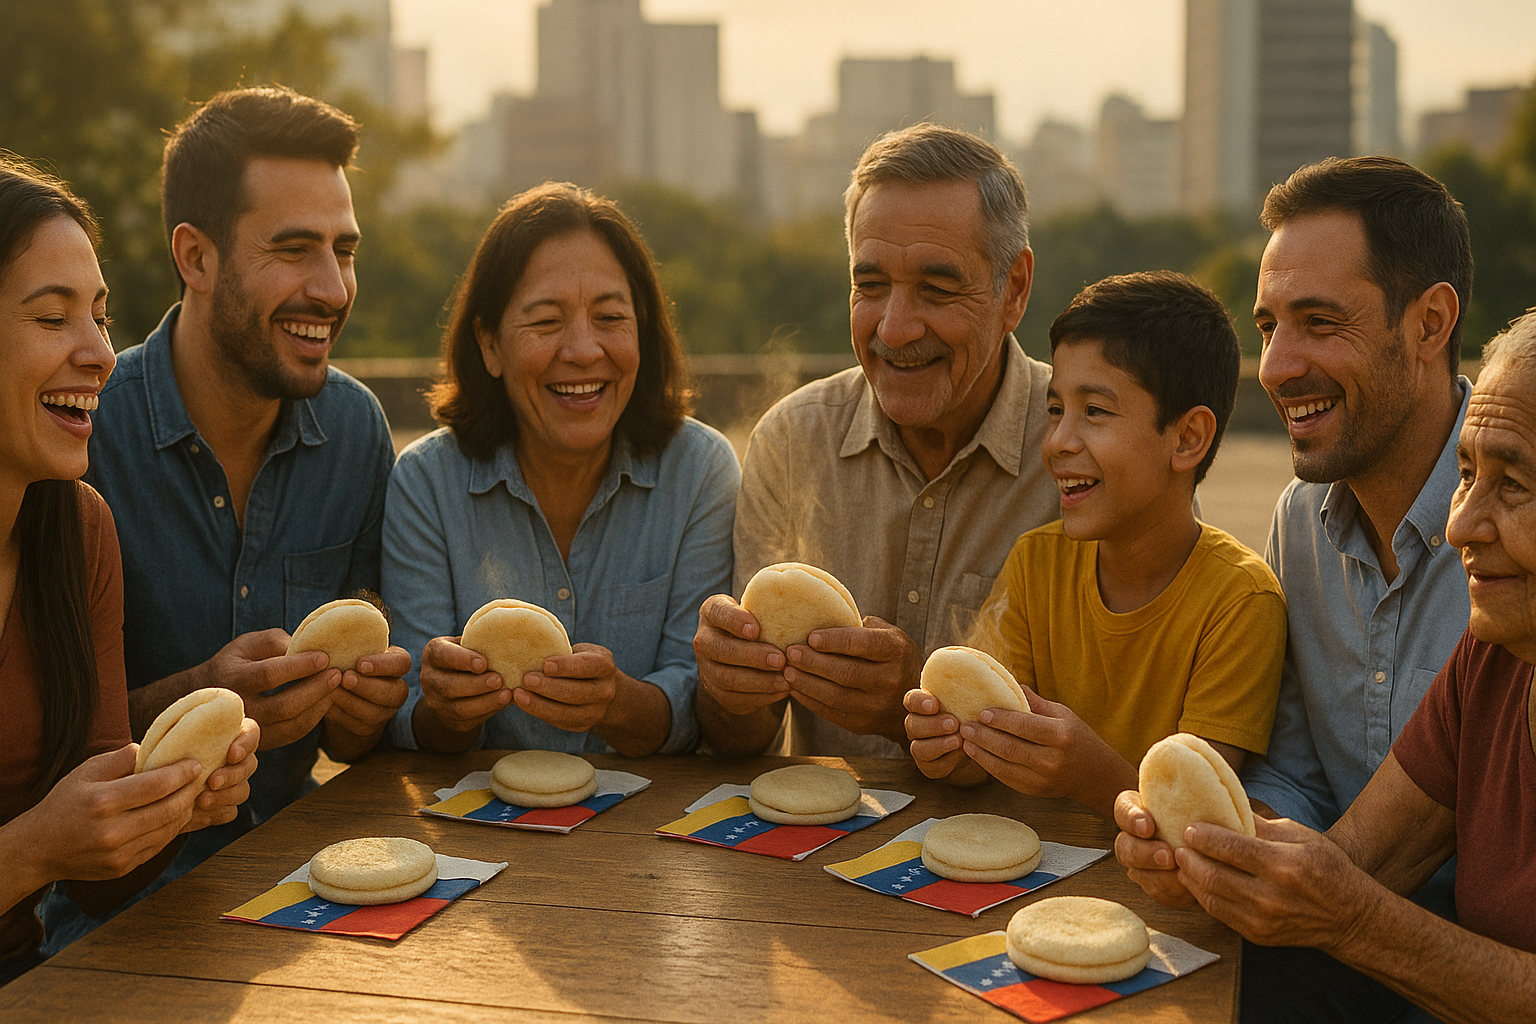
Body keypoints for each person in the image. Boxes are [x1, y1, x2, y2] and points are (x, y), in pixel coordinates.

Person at [40, 86, 408, 947]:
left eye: (344, 251)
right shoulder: (77, 432)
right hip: (108, 920)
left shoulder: (356, 432)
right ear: (195, 257)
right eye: (294, 249)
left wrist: (365, 711)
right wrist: (197, 698)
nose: (331, 289)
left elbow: (356, 744)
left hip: (303, 888)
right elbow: (41, 756)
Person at [1114, 156, 1474, 1023]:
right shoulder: (1300, 518)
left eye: (1319, 322)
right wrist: (1228, 843)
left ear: (1429, 324)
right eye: (1269, 326)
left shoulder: (1510, 533)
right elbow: (1298, 771)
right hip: (1336, 958)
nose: (1276, 366)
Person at [694, 123, 1058, 759]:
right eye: (871, 286)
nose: (894, 328)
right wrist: (729, 689)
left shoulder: (1083, 455)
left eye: (937, 289)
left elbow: (1120, 736)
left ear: (1015, 290)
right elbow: (743, 741)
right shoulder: (792, 441)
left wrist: (911, 704)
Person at [0, 159, 257, 983]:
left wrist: (168, 804)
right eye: (53, 318)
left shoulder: (78, 531)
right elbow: (48, 857)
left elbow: (97, 885)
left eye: (101, 318)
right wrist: (30, 851)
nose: (101, 354)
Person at [903, 272, 1286, 819]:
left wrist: (1091, 776)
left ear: (1187, 438)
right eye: (1056, 409)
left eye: (1095, 412)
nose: (1058, 441)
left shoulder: (1240, 603)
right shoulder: (1036, 563)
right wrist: (950, 748)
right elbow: (988, 743)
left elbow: (1198, 820)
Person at [384, 182, 738, 757]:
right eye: (546, 322)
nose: (582, 350)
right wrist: (448, 709)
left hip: (654, 813)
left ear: (643, 329)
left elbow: (706, 704)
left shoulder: (700, 472)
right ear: (489, 344)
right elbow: (405, 717)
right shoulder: (426, 482)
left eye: (610, 317)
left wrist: (619, 703)